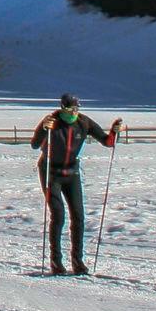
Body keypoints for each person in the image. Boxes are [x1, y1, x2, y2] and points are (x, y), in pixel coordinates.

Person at [32, 92, 122, 275]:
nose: (74, 112)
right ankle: (56, 262)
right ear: (62, 108)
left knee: (78, 216)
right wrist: (43, 128)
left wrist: (114, 131)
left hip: (71, 173)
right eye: (70, 109)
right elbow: (35, 144)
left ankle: (77, 261)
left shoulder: (83, 122)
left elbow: (107, 142)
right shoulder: (51, 121)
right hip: (50, 172)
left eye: (76, 109)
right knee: (58, 215)